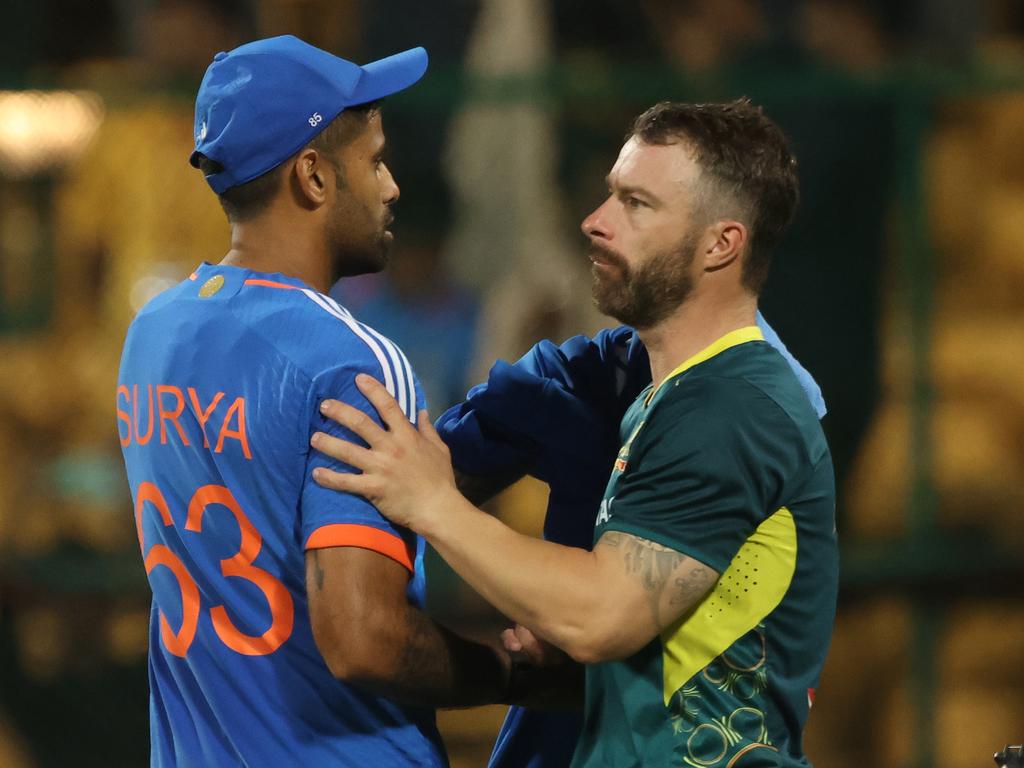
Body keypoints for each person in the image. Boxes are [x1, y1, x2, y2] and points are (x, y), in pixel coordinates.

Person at [311, 99, 839, 766]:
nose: (596, 222)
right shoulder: (617, 374)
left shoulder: (736, 410)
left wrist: (435, 503)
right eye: (608, 195)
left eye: (637, 205)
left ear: (721, 243)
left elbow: (600, 615)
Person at [116, 35, 525, 768]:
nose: (391, 186)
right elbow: (365, 642)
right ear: (312, 176)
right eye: (373, 160)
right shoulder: (352, 359)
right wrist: (512, 673)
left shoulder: (154, 332)